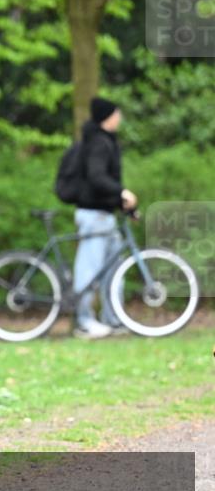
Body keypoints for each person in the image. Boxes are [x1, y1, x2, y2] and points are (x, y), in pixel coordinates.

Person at [72, 96, 138, 339]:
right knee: (89, 270)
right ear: (107, 117)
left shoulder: (103, 140)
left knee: (114, 269)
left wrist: (126, 207)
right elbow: (97, 178)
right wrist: (121, 192)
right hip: (94, 215)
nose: (120, 117)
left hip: (105, 214)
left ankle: (114, 319)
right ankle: (84, 322)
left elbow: (104, 183)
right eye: (117, 113)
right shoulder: (99, 142)